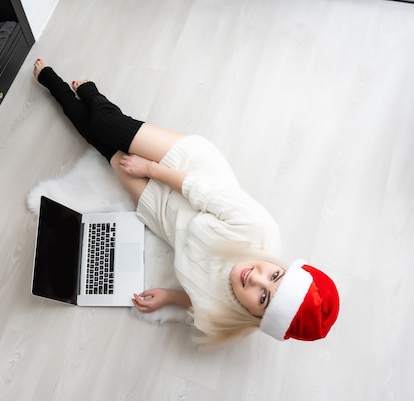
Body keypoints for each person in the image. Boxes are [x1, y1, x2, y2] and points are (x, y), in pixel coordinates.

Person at [33, 59, 340, 345]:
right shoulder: (260, 230)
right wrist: (150, 169)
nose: (256, 277)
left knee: (99, 143)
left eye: (263, 298)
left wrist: (168, 296)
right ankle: (89, 90)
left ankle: (53, 83)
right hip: (191, 170)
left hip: (160, 211)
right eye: (274, 276)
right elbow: (202, 191)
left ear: (255, 316)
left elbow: (202, 300)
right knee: (104, 125)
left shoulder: (221, 316)